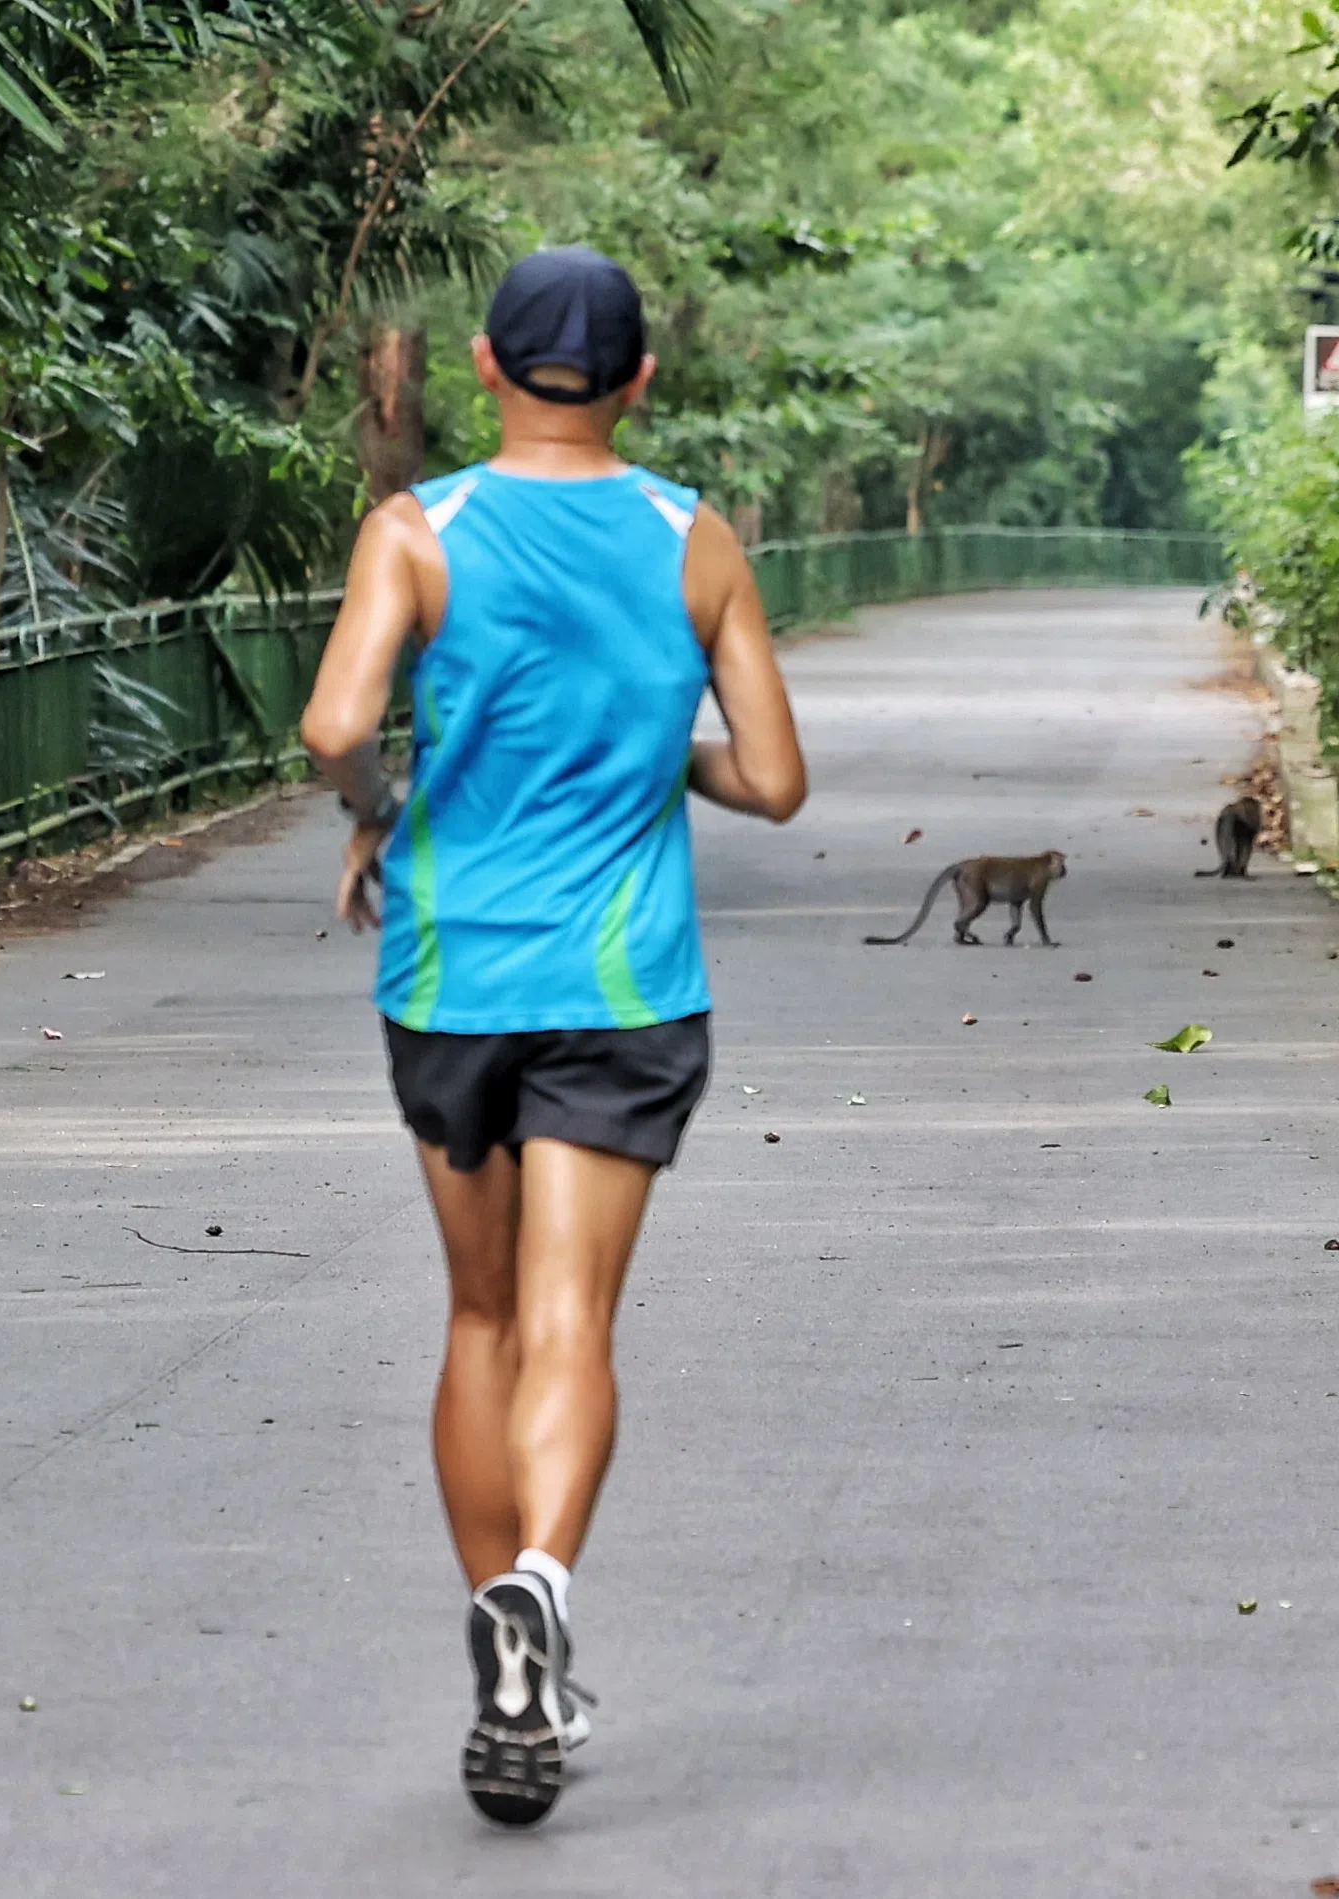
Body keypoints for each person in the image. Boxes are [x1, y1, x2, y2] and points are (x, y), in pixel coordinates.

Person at [296, 244, 807, 1829]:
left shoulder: (419, 531)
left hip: (453, 979)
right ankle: (542, 1584)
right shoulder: (690, 537)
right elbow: (776, 779)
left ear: (484, 367)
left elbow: (331, 729)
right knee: (573, 1319)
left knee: (480, 1315)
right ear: (641, 379)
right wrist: (670, 762)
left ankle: (502, 1638)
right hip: (624, 986)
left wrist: (380, 812)